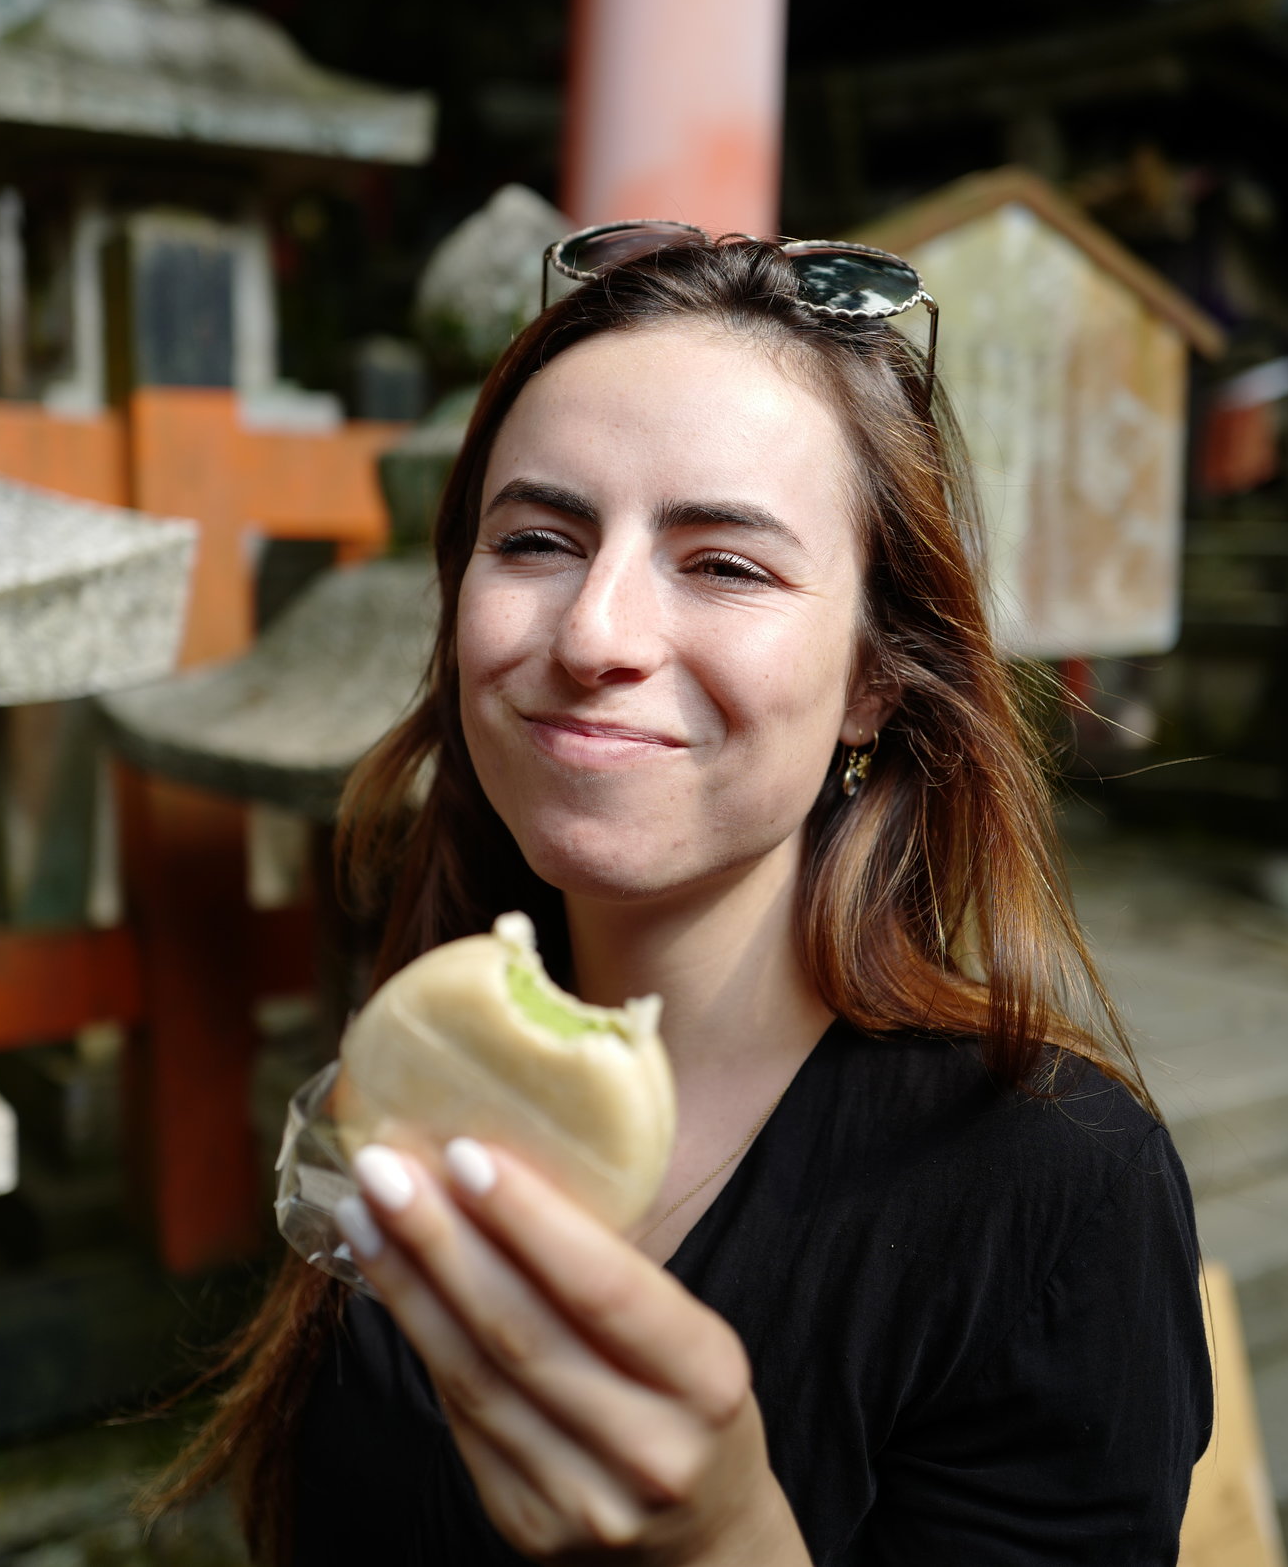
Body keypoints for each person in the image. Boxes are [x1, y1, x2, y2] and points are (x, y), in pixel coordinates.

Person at [150, 230, 1210, 1565]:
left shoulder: (1049, 1188)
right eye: (537, 538)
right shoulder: (429, 1076)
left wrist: (721, 1543)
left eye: (724, 564)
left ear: (875, 677)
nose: (593, 636)